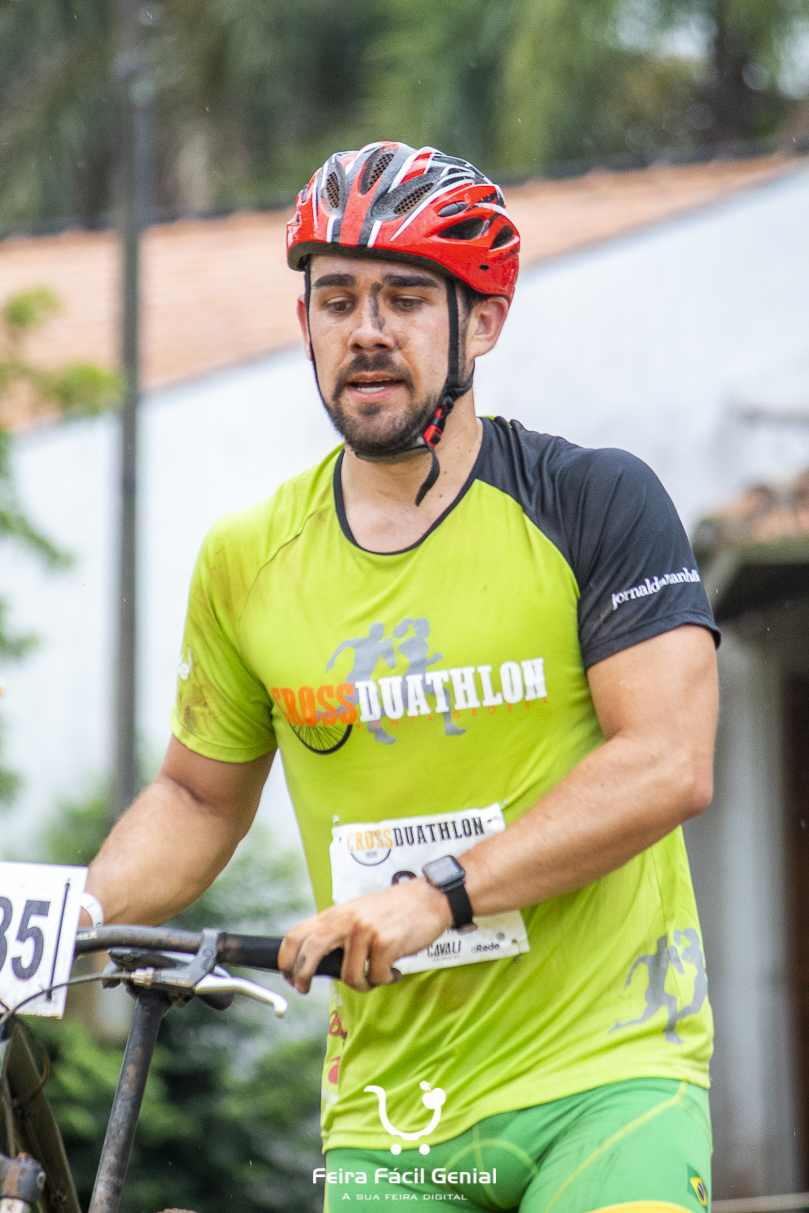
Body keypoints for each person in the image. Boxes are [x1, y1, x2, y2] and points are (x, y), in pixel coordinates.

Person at [82, 142, 719, 1213]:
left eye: (405, 299)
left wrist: (438, 895)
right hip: (393, 1111)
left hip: (608, 1072)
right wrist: (63, 921)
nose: (366, 330)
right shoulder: (246, 558)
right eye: (337, 300)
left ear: (484, 321)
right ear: (305, 326)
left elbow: (665, 761)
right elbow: (196, 796)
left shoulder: (594, 501)